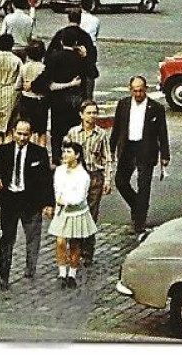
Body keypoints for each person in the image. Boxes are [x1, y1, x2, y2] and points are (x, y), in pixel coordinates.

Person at [0, 120, 53, 291]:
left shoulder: (39, 153)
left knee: (32, 237)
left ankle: (30, 267)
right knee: (6, 238)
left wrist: (48, 203)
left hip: (30, 201)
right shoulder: (4, 150)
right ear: (13, 132)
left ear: (31, 134)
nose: (22, 137)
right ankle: (4, 274)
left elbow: (47, 180)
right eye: (19, 133)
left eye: (25, 134)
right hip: (9, 200)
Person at [110, 75, 170, 233]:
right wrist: (110, 148)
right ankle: (138, 206)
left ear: (146, 90)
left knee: (144, 186)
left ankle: (139, 221)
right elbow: (117, 128)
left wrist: (165, 155)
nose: (138, 94)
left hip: (146, 149)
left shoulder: (156, 108)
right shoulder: (123, 104)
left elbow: (162, 133)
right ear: (130, 90)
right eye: (135, 91)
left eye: (140, 91)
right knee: (121, 181)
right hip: (128, 148)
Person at [63, 99, 110, 261]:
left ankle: (87, 251)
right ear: (81, 115)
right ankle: (75, 248)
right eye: (88, 113)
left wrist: (108, 179)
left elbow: (107, 158)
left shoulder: (101, 134)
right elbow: (66, 155)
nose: (92, 116)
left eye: (94, 113)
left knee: (91, 215)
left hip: (94, 177)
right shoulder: (73, 133)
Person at [49, 139, 96, 288]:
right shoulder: (59, 170)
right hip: (62, 212)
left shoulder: (83, 176)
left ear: (77, 155)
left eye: (69, 152)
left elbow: (80, 197)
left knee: (75, 243)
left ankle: (72, 274)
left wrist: (66, 201)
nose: (65, 154)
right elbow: (57, 189)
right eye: (64, 151)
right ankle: (62, 272)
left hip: (77, 212)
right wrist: (57, 203)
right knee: (60, 241)